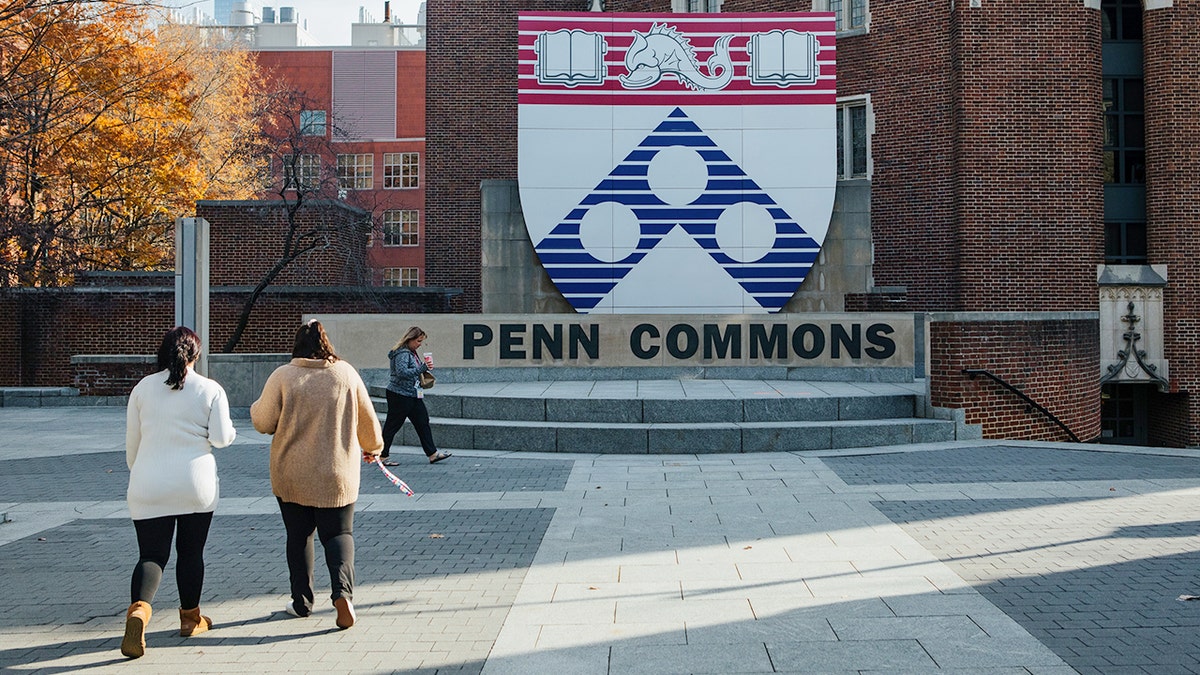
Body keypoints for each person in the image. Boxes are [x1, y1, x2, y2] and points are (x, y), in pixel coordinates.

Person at [250, 320, 383, 630]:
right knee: (339, 535)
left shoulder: (283, 375)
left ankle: (301, 602)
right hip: (337, 474)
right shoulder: (345, 374)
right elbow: (368, 421)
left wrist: (260, 406)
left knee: (299, 537)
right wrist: (373, 447)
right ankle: (343, 595)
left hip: (291, 473)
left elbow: (262, 421)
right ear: (327, 345)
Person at [121, 326, 236, 659]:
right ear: (196, 354)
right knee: (190, 553)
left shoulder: (142, 389)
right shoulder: (210, 389)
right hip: (194, 483)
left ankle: (140, 612)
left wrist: (140, 473)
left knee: (151, 555)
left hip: (148, 481)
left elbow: (133, 444)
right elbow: (219, 438)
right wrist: (229, 433)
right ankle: (190, 619)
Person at [379, 326, 451, 466]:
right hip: (400, 394)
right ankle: (382, 455)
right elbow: (402, 372)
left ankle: (432, 454)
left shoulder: (410, 353)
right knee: (392, 425)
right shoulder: (402, 353)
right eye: (418, 341)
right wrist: (422, 368)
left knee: (422, 421)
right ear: (410, 339)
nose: (419, 344)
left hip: (411, 394)